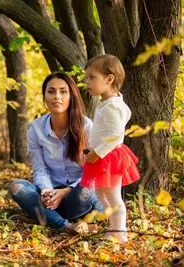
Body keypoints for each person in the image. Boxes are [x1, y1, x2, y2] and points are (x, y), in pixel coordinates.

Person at [9, 71, 103, 234]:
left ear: (71, 96)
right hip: (52, 195)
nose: (57, 96)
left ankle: (41, 217)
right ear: (44, 97)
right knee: (17, 187)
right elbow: (40, 170)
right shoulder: (36, 128)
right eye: (51, 91)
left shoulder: (86, 127)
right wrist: (46, 191)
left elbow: (92, 173)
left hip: (79, 194)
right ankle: (65, 225)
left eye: (63, 91)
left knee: (84, 190)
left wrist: (66, 191)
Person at [80, 54, 140, 244]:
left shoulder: (112, 106)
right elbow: (117, 122)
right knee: (100, 193)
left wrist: (97, 152)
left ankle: (119, 232)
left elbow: (116, 136)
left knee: (113, 196)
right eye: (86, 77)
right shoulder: (109, 103)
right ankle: (111, 224)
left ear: (109, 79)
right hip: (101, 154)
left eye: (92, 77)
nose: (87, 82)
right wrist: (92, 147)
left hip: (109, 157)